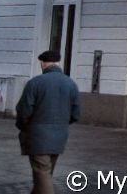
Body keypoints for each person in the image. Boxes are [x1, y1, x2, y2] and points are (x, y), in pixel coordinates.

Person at [15, 50, 80, 194]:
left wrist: (24, 126)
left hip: (37, 136)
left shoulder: (35, 83)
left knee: (42, 174)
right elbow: (76, 114)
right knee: (44, 174)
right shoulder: (70, 84)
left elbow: (24, 111)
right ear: (58, 63)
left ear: (42, 63)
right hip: (59, 137)